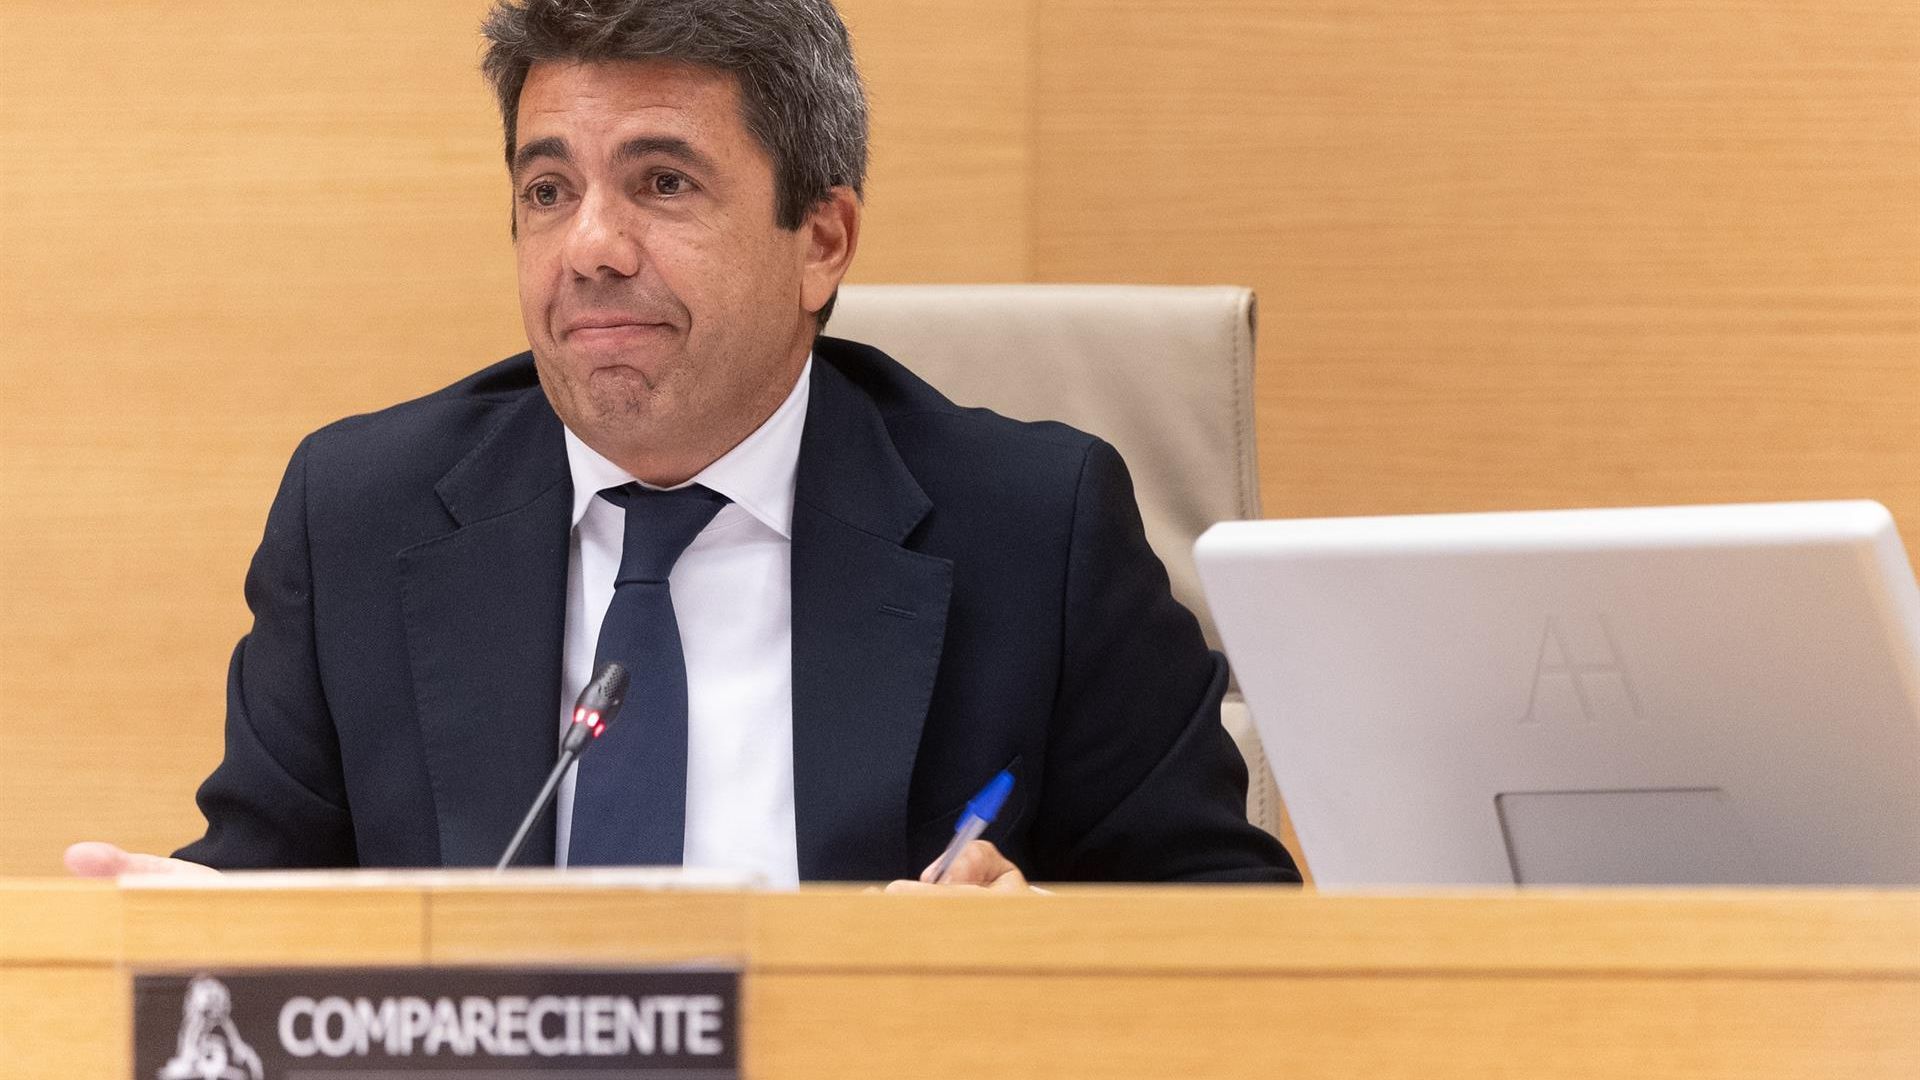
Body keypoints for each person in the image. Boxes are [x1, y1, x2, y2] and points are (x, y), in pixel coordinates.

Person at [66, 0, 1299, 889]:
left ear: (823, 239)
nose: (589, 246)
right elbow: (268, 903)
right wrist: (182, 933)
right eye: (548, 190)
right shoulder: (361, 517)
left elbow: (1230, 933)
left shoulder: (1036, 528)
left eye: (661, 184)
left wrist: (1032, 961)